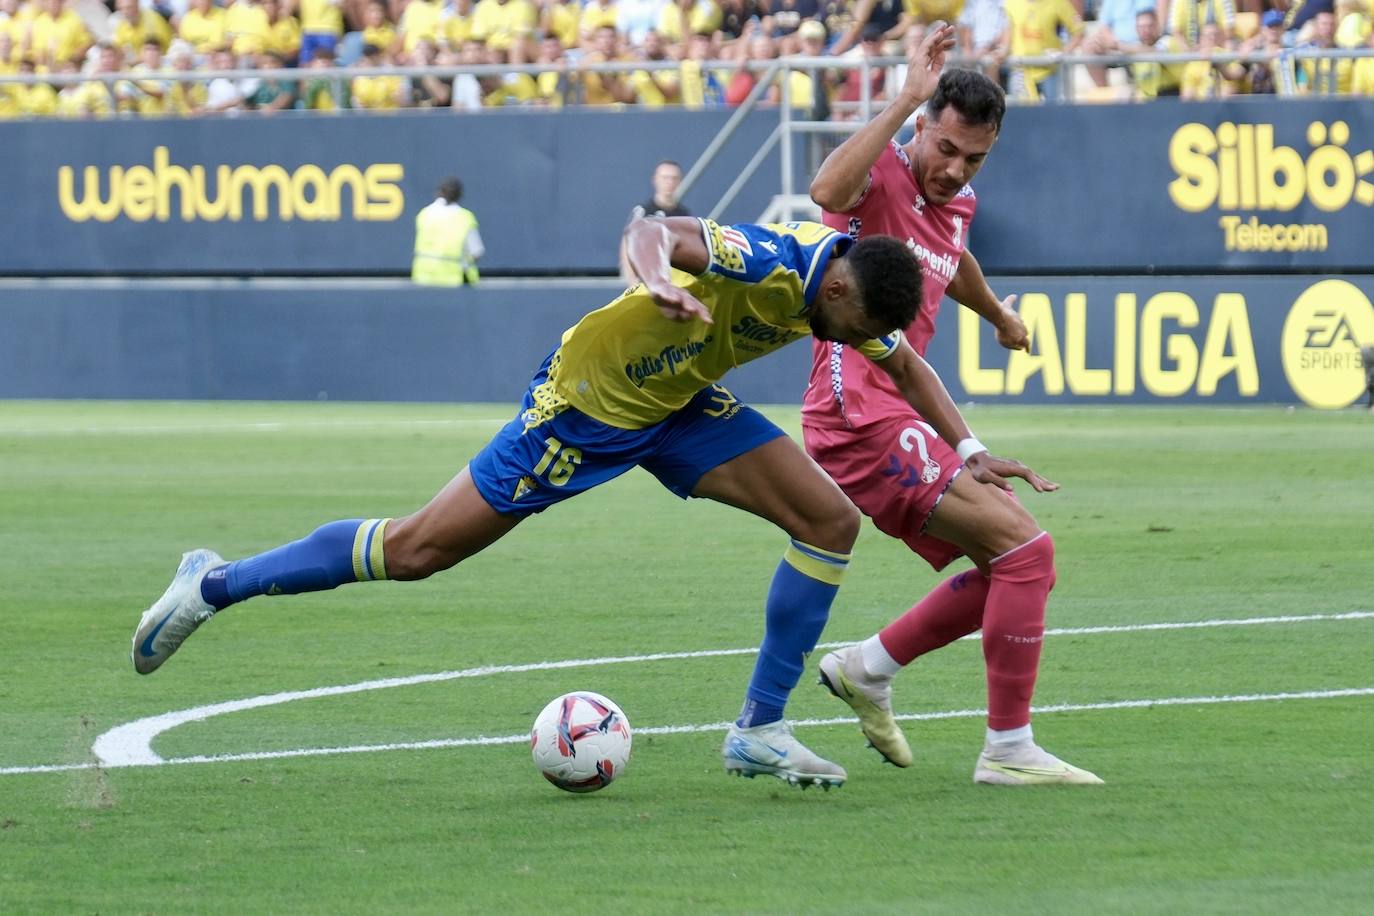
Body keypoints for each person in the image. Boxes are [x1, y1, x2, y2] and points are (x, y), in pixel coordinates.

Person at [131, 213, 1057, 790]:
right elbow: (658, 228)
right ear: (843, 286)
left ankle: (760, 731)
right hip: (585, 409)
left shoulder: (853, 299)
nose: (860, 346)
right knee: (417, 549)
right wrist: (656, 279)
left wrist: (969, 450)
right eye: (860, 328)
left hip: (679, 404)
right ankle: (215, 583)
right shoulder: (772, 261)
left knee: (827, 520)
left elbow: (910, 365)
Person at [806, 23, 1103, 786]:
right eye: (944, 149)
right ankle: (1007, 750)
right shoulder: (879, 178)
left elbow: (954, 253)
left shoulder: (958, 201)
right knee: (1028, 554)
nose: (953, 170)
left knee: (1014, 568)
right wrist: (904, 92)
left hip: (898, 406)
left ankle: (866, 669)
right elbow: (826, 194)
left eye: (974, 158)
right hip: (856, 412)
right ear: (922, 128)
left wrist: (997, 314)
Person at [618, 159, 690, 283]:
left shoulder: (684, 216)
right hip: (646, 281)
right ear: (655, 180)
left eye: (674, 178)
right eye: (665, 178)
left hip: (675, 282)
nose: (670, 182)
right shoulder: (643, 212)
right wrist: (631, 280)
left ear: (680, 181)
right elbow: (627, 245)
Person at [411, 176, 483, 286]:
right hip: (454, 282)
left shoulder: (424, 214)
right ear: (459, 195)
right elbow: (476, 252)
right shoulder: (464, 218)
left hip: (423, 279)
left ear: (438, 192)